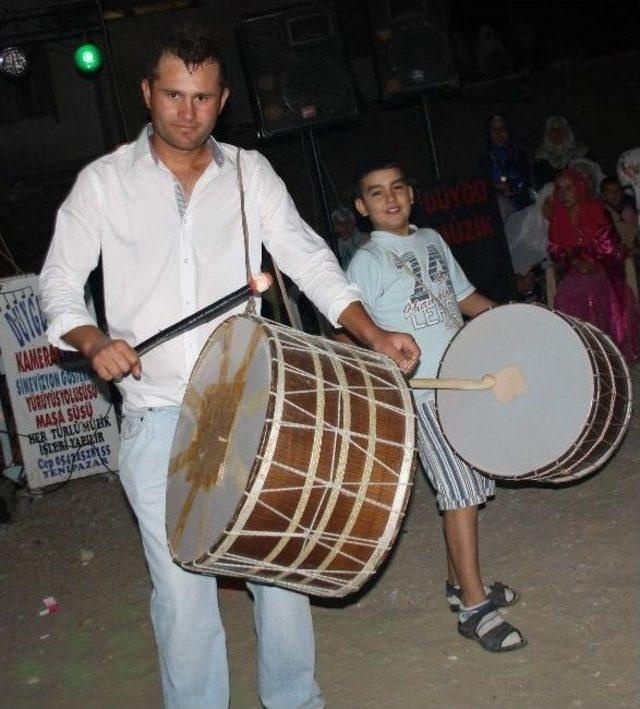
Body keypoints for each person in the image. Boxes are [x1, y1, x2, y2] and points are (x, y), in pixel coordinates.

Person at [39, 27, 419, 709]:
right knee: (184, 593)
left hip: (250, 406)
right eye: (174, 95)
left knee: (282, 564)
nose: (187, 112)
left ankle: (294, 699)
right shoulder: (103, 184)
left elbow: (306, 257)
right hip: (156, 415)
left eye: (203, 98)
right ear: (148, 94)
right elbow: (59, 285)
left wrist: (371, 332)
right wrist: (93, 338)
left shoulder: (248, 173)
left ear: (223, 101)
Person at [343, 156, 526, 653]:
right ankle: (473, 606)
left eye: (398, 187)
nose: (391, 198)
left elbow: (463, 299)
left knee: (468, 488)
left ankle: (458, 584)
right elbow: (347, 328)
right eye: (376, 193)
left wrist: (520, 320)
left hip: (463, 384)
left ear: (412, 194)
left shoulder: (432, 241)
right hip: (422, 395)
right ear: (362, 207)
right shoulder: (367, 261)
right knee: (461, 494)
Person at [549, 169, 639, 362]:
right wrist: (574, 260)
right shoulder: (557, 217)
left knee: (593, 291)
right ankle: (583, 351)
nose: (564, 194)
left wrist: (588, 259)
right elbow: (554, 249)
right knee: (567, 294)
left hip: (603, 266)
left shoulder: (598, 211)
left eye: (569, 188)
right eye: (560, 190)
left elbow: (608, 246)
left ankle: (604, 348)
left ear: (579, 188)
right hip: (574, 270)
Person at [477, 113, 532, 218]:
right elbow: (481, 185)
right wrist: (498, 187)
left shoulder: (519, 154)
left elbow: (526, 180)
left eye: (502, 128)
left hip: (521, 202)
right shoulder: (485, 159)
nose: (499, 133)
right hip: (497, 205)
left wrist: (515, 187)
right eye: (495, 130)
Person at [533, 115, 593, 189]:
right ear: (548, 133)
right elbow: (540, 182)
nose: (557, 133)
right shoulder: (541, 156)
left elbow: (592, 174)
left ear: (567, 131)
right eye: (553, 130)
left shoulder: (580, 151)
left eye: (560, 129)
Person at [601, 175, 639, 248]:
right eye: (609, 192)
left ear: (622, 192)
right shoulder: (603, 209)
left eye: (617, 191)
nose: (614, 194)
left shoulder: (628, 208)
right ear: (603, 195)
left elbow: (636, 227)